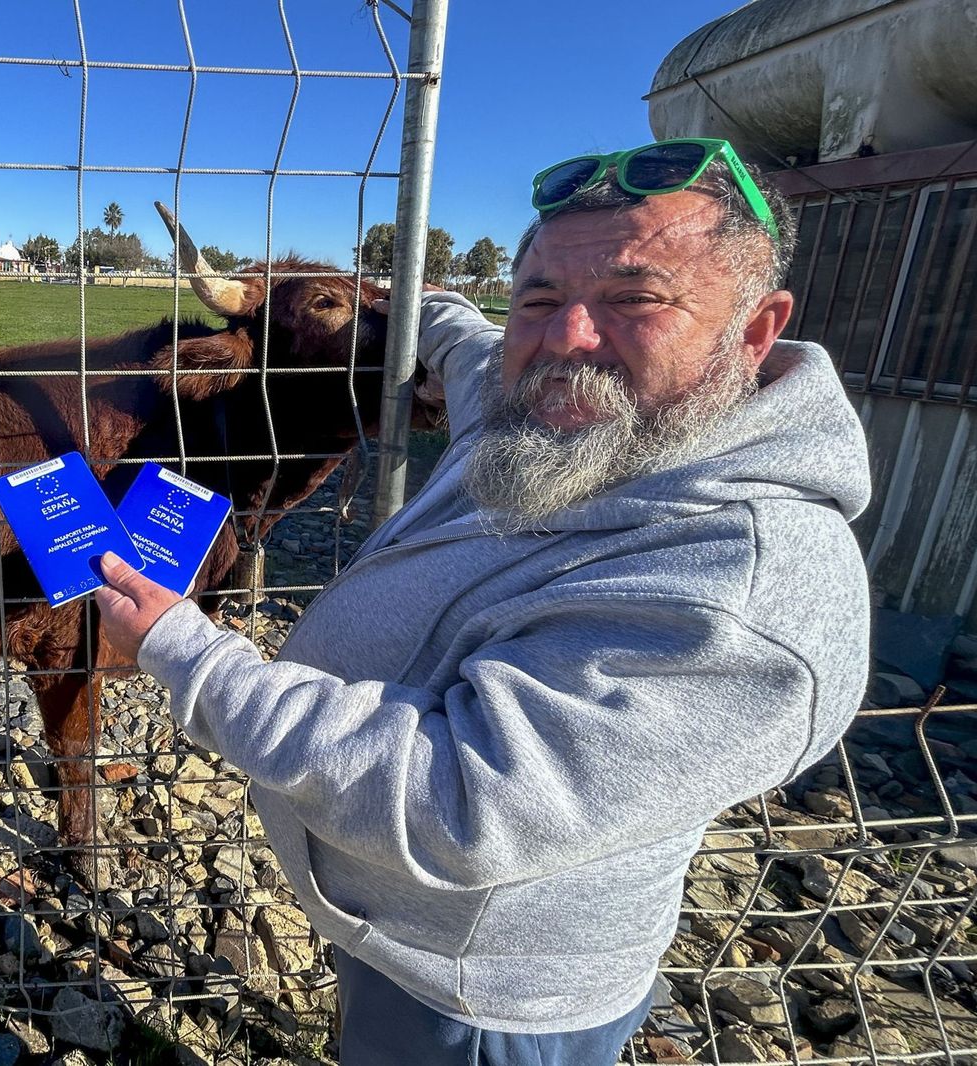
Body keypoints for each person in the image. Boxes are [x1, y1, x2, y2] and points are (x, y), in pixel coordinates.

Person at [94, 138, 871, 1065]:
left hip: (483, 1001)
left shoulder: (747, 594)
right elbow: (461, 339)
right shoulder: (546, 418)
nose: (566, 339)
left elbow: (455, 800)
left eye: (637, 298)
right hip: (402, 930)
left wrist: (187, 650)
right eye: (539, 299)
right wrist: (409, 309)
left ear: (755, 329)